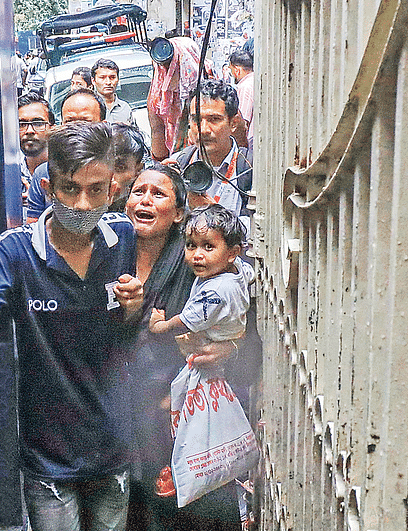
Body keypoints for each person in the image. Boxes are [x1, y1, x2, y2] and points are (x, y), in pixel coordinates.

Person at [0, 122, 143, 531]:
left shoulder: (123, 239)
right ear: (48, 187)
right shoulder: (15, 251)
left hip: (112, 446)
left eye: (96, 190)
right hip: (47, 454)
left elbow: (128, 330)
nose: (83, 204)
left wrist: (134, 308)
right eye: (70, 189)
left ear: (113, 191)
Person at [119, 164, 245, 530]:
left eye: (158, 194)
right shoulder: (108, 250)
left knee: (193, 512)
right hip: (120, 409)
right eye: (138, 191)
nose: (145, 200)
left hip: (182, 412)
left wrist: (229, 350)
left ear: (177, 213)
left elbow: (241, 322)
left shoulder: (200, 259)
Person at [148, 204, 254, 350]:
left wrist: (159, 325)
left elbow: (182, 324)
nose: (197, 255)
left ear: (232, 253)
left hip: (212, 352)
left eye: (208, 246)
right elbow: (250, 275)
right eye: (191, 245)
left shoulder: (214, 292)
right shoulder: (236, 266)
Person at [172, 79, 251, 222]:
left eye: (214, 119)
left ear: (233, 123)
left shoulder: (250, 168)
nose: (204, 130)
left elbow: (259, 230)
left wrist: (214, 215)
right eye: (196, 119)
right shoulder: (179, 163)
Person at [25, 89, 106, 223]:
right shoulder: (44, 173)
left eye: (85, 121)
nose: (77, 128)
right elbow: (33, 230)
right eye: (69, 122)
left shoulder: (115, 168)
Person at [147, 37, 209, 161]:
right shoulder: (158, 94)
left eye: (173, 65)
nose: (169, 69)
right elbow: (157, 130)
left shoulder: (211, 95)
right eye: (165, 66)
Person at [18, 92, 54, 221]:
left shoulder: (64, 171)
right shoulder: (8, 174)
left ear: (52, 128)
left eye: (38, 123)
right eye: (22, 124)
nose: (29, 131)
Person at [109, 123, 149, 212]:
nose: (110, 178)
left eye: (119, 168)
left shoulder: (146, 205)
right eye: (104, 167)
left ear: (138, 170)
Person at [92, 58, 133, 124]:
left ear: (118, 79)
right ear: (93, 80)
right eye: (102, 77)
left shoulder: (125, 108)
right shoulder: (89, 108)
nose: (108, 82)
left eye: (112, 77)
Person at [229, 49, 254, 152]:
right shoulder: (256, 80)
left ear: (237, 70)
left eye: (231, 70)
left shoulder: (244, 87)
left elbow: (242, 123)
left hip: (250, 144)